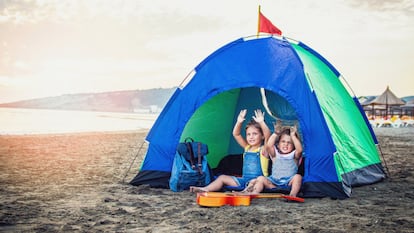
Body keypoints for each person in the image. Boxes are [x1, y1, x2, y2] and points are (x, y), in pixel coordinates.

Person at [189, 109, 271, 192]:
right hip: (244, 181)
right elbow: (236, 134)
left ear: (262, 136)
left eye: (255, 134)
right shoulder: (247, 148)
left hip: (258, 182)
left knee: (255, 182)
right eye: (248, 134)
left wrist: (261, 122)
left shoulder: (264, 149)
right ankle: (205, 189)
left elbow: (268, 135)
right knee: (222, 178)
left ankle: (249, 192)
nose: (251, 137)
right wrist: (239, 122)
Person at [242, 120, 303, 197]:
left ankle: (292, 195)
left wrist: (293, 136)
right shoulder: (275, 155)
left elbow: (300, 149)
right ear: (278, 144)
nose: (285, 144)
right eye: (283, 141)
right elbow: (269, 145)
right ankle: (254, 193)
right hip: (274, 183)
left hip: (288, 184)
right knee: (260, 178)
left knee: (298, 177)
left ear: (294, 145)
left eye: (289, 142)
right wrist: (276, 133)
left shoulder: (294, 156)